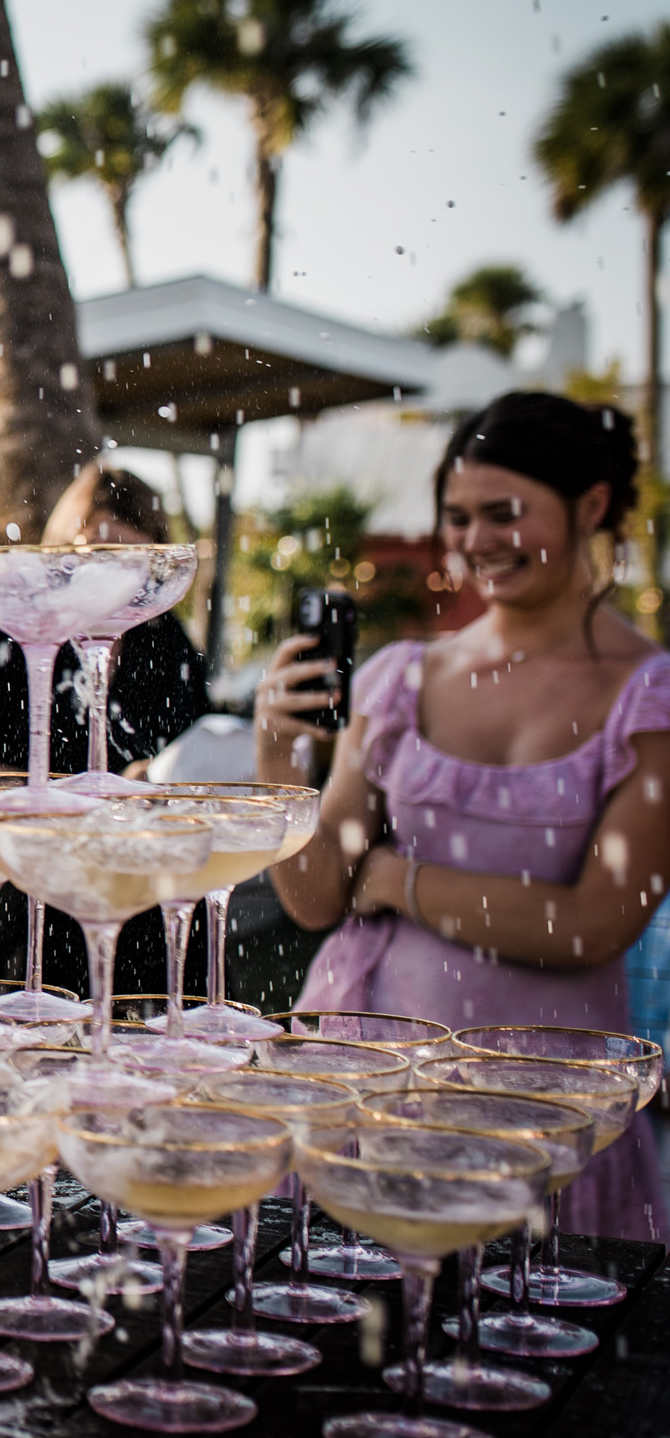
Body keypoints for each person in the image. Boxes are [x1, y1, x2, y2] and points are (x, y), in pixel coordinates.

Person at [263, 390, 668, 1240]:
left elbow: (592, 925)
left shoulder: (650, 698)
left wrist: (391, 877)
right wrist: (278, 759)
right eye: (457, 517)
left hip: (542, 1113)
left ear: (591, 506)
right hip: (367, 1086)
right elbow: (312, 900)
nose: (476, 540)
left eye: (504, 512)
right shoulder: (400, 677)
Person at [0, 464, 208, 988]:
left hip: (149, 913)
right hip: (20, 901)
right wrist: (83, 802)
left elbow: (195, 754)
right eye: (89, 557)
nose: (103, 577)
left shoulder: (166, 644)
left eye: (126, 562)